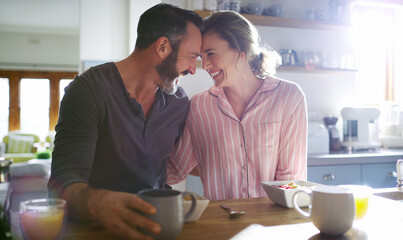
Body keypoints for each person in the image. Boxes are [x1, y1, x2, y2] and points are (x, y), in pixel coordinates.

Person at [48, 4, 203, 240]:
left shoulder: (178, 103)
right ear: (162, 46)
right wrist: (97, 202)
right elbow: (62, 184)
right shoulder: (88, 91)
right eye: (192, 56)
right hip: (97, 229)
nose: (193, 69)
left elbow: (182, 161)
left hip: (158, 225)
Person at [167, 11, 307, 201]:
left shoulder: (288, 97)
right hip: (221, 225)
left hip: (270, 223)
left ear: (242, 50)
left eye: (211, 54)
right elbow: (176, 168)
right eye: (201, 57)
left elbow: (291, 180)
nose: (205, 65)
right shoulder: (200, 106)